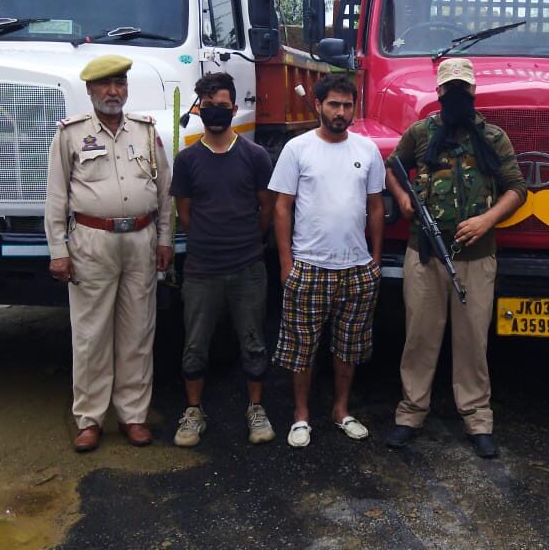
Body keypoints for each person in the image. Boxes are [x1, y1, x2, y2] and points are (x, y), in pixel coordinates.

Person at [383, 58, 527, 459]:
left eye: (463, 88)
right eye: (450, 89)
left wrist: (487, 220)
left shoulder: (493, 138)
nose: (456, 95)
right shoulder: (420, 133)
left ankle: (478, 419)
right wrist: (401, 199)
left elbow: (517, 188)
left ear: (472, 92)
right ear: (440, 92)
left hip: (476, 257)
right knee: (419, 339)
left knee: (472, 342)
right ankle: (410, 413)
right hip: (425, 255)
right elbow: (393, 169)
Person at [44, 54, 174, 452]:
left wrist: (166, 238)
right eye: (105, 84)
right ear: (89, 90)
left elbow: (164, 190)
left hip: (140, 240)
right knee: (91, 336)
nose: (113, 91)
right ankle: (89, 419)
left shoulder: (147, 131)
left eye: (119, 83)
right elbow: (55, 198)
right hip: (91, 242)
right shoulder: (70, 134)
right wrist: (57, 250)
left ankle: (133, 416)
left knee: (138, 333)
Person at [268, 74, 385, 449]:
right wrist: (287, 263)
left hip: (356, 268)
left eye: (347, 105)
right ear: (318, 105)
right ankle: (301, 415)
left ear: (354, 108)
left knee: (348, 347)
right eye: (333, 104)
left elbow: (376, 207)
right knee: (302, 347)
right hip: (309, 266)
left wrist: (375, 260)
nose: (341, 112)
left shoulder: (367, 151)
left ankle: (341, 410)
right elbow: (282, 207)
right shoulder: (297, 149)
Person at [169, 72, 276, 447]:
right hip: (202, 269)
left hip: (248, 266)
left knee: (254, 341)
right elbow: (186, 214)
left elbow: (266, 209)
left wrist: (246, 241)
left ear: (234, 107)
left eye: (223, 105)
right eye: (209, 105)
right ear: (198, 109)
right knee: (195, 344)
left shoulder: (255, 156)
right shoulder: (186, 160)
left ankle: (256, 409)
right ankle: (194, 411)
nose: (216, 112)